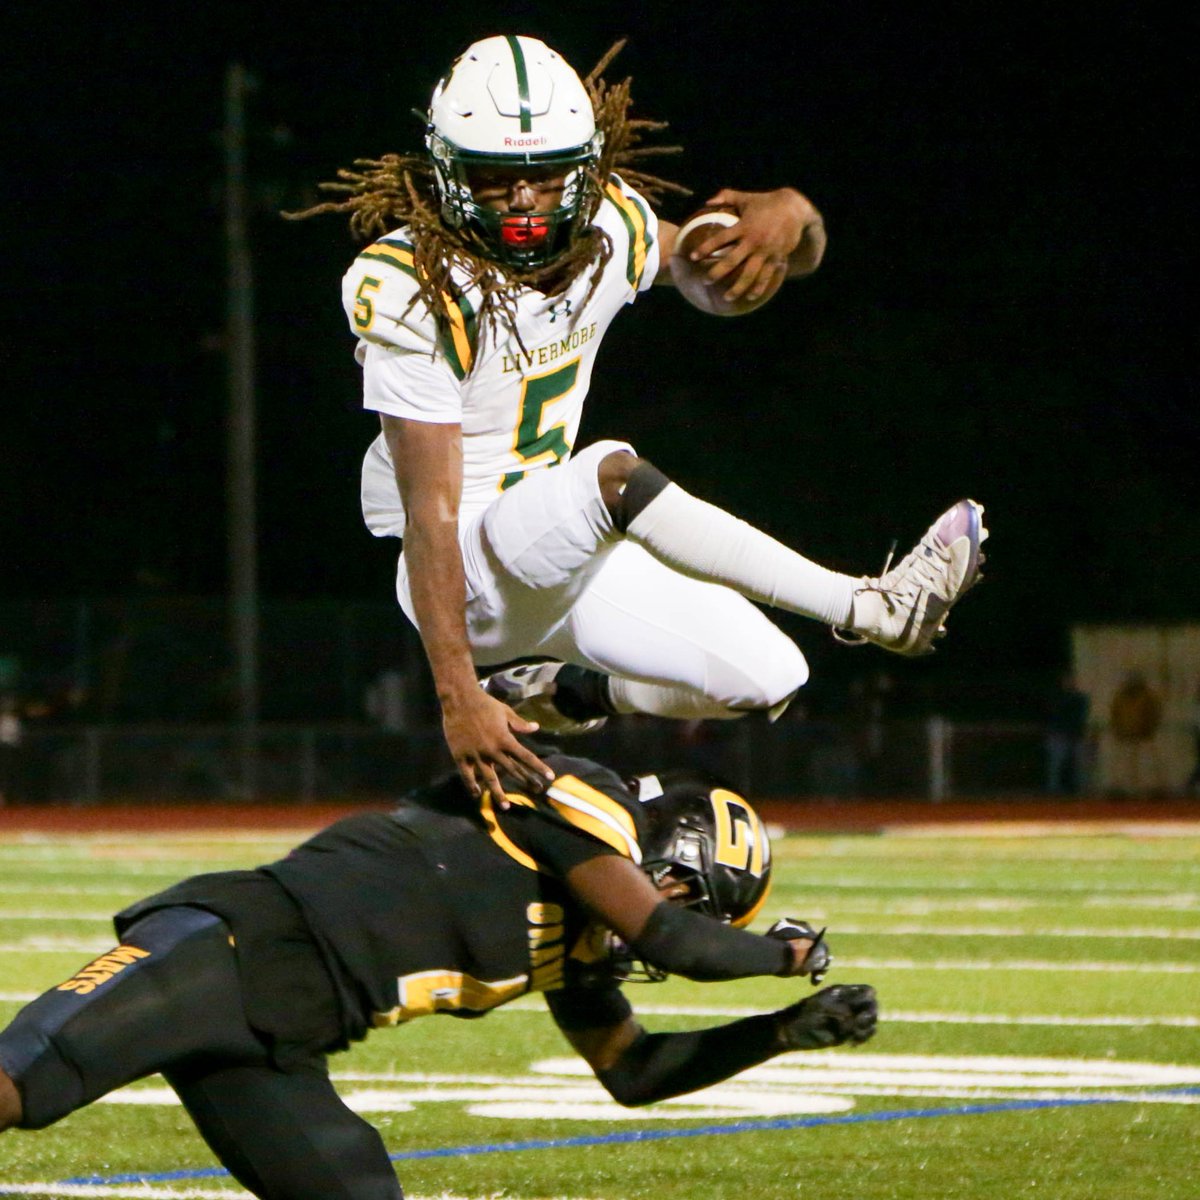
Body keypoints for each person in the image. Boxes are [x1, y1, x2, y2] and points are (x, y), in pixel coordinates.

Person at [293, 35, 987, 801]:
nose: (525, 201)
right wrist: (456, 692)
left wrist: (793, 216)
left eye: (548, 176)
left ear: (586, 168)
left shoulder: (613, 226)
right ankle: (870, 605)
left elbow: (724, 276)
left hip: (565, 552)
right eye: (496, 179)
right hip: (468, 573)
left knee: (768, 675)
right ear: (446, 172)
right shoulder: (413, 284)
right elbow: (431, 510)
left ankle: (566, 693)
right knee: (610, 474)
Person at [0, 747, 878, 1199]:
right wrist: (788, 957)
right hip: (232, 943)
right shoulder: (577, 801)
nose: (687, 919)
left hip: (286, 1036)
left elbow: (635, 1074)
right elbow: (678, 943)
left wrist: (781, 1032)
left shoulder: (579, 953)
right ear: (662, 849)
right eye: (692, 895)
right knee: (22, 1082)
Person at [1044, 671, 1090, 794]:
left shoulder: (1077, 699)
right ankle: (1055, 788)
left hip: (1073, 733)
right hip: (1060, 733)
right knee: (1057, 764)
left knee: (1076, 763)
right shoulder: (1071, 699)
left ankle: (1077, 787)